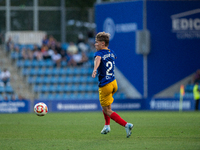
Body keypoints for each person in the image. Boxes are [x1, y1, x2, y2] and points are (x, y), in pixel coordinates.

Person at [91, 32, 133, 138]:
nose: (95, 44)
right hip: (113, 83)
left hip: (105, 85)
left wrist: (95, 69)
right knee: (107, 106)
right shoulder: (112, 52)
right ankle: (107, 126)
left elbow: (98, 59)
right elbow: (113, 58)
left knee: (107, 110)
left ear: (103, 43)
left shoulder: (99, 53)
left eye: (97, 42)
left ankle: (126, 125)